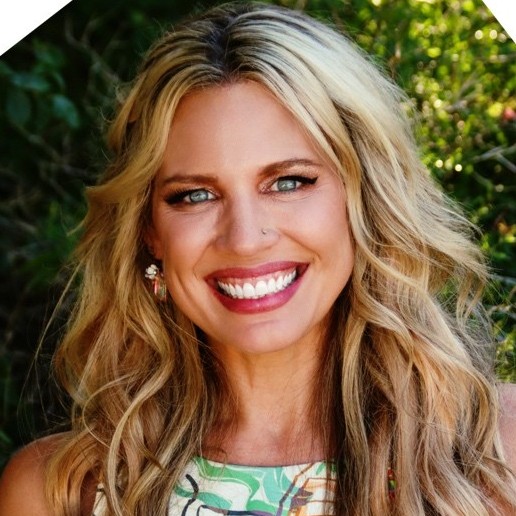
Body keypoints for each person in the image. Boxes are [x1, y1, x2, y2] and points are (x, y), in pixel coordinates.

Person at [1, 2, 515, 515]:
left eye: (288, 182)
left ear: (366, 200)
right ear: (149, 232)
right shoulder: (58, 492)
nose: (245, 239)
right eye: (195, 195)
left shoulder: (493, 458)